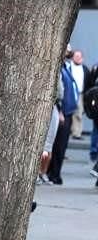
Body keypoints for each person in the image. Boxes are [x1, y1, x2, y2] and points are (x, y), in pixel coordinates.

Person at [48, 47, 79, 185]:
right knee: (57, 146)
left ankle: (56, 173)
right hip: (62, 111)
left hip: (68, 111)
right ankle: (52, 174)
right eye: (68, 49)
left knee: (62, 145)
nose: (69, 52)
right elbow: (59, 92)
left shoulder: (66, 67)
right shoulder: (59, 68)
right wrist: (60, 110)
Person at [38, 72, 63, 185]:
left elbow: (60, 93)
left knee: (48, 145)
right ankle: (39, 173)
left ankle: (42, 172)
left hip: (54, 106)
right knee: (45, 145)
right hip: (47, 105)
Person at [71, 50, 87, 139]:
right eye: (75, 56)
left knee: (79, 114)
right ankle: (72, 131)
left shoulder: (84, 69)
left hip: (80, 94)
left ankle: (77, 133)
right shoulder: (69, 67)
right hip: (70, 93)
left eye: (79, 56)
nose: (77, 58)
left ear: (82, 58)